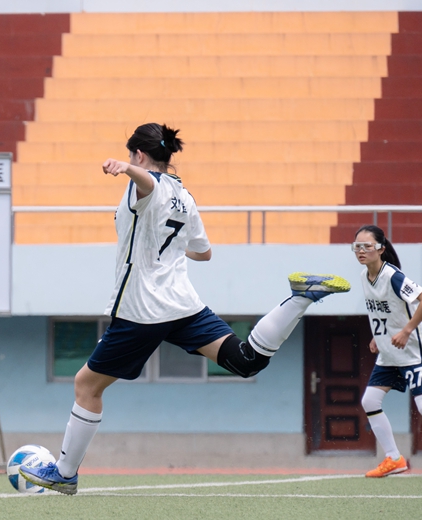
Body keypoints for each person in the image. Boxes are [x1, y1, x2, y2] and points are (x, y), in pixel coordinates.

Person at [20, 122, 351, 495]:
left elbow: (149, 185)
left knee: (86, 385)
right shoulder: (184, 195)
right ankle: (300, 298)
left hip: (142, 311)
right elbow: (203, 252)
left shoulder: (148, 185)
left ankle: (65, 473)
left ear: (139, 155)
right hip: (182, 306)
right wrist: (172, 249)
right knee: (246, 361)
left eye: (132, 157)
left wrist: (125, 169)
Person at [355, 225, 422, 479]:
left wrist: (406, 330)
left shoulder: (393, 276)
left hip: (414, 354)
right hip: (389, 354)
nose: (361, 251)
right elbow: (385, 311)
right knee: (369, 401)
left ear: (381, 248)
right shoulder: (363, 276)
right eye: (357, 246)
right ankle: (394, 458)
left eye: (367, 246)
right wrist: (378, 336)